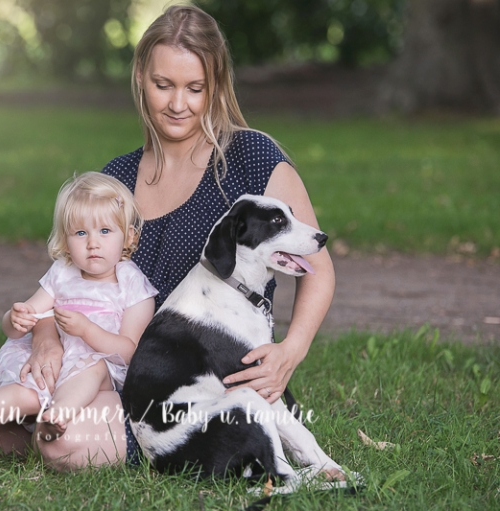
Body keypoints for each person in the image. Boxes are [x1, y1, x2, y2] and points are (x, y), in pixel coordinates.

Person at [24, 4, 336, 471]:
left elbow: (320, 271)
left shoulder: (251, 157)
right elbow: (64, 280)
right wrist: (46, 339)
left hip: (204, 386)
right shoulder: (118, 178)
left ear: (216, 86)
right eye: (163, 85)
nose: (177, 104)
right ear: (140, 78)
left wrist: (290, 351)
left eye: (195, 88)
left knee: (59, 446)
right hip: (107, 370)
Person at [0, 172, 157, 471]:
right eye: (81, 233)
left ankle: (56, 418)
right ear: (65, 239)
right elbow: (24, 320)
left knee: (93, 368)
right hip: (48, 365)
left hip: (88, 368)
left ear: (129, 236)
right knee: (26, 393)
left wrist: (87, 330)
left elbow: (128, 352)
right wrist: (15, 318)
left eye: (105, 231)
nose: (93, 244)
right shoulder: (63, 273)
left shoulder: (133, 285)